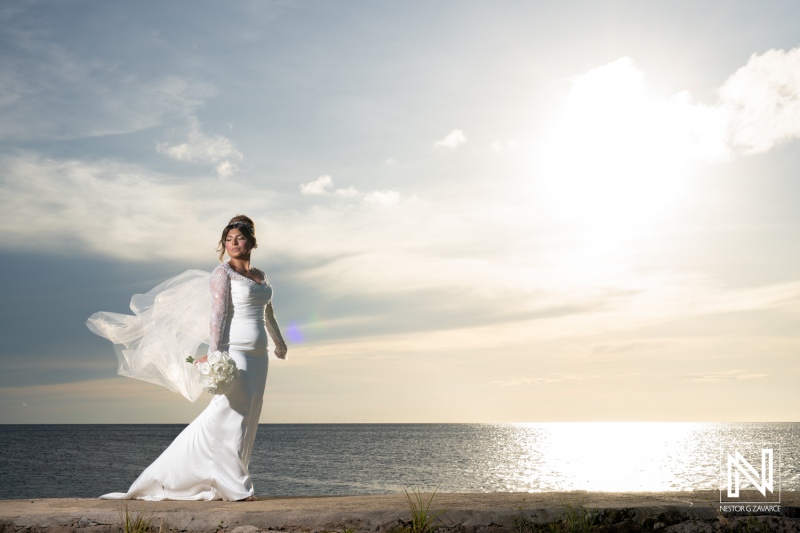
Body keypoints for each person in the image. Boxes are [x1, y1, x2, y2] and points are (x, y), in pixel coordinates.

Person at [88, 215, 287, 501]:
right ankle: (232, 486)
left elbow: (268, 312)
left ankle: (223, 478)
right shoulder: (222, 274)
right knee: (231, 413)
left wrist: (279, 343)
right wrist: (217, 354)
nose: (233, 243)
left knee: (248, 416)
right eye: (228, 240)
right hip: (236, 352)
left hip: (260, 355)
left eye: (239, 238)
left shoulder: (261, 275)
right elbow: (217, 315)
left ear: (251, 242)